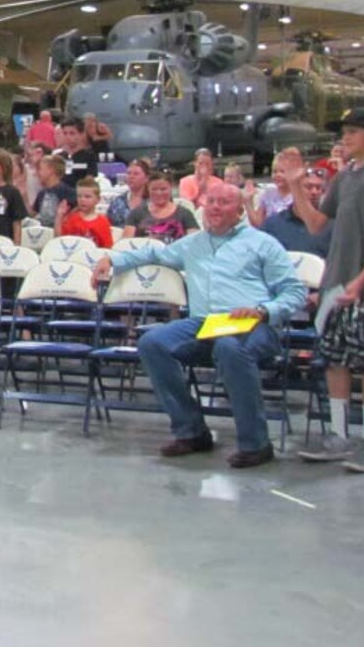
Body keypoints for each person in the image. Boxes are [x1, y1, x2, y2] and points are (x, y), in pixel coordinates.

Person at [92, 182, 306, 468]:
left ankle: (256, 443)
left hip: (252, 326)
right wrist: (111, 259)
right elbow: (155, 254)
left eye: (224, 203)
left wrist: (262, 311)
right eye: (211, 202)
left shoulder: (263, 244)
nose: (215, 208)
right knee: (153, 343)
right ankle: (191, 430)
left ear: (240, 210)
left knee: (230, 347)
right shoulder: (194, 244)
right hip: (204, 324)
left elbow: (295, 292)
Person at [285, 109, 364, 473]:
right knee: (336, 359)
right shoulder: (344, 177)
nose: (346, 138)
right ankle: (338, 433)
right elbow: (318, 224)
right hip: (337, 282)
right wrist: (295, 186)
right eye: (344, 132)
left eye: (354, 132)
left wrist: (361, 281)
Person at [259, 166, 332, 258]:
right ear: (294, 189)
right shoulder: (272, 224)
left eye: (319, 188)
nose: (314, 192)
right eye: (308, 187)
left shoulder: (329, 225)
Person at [124, 172, 200, 242]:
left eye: (163, 189)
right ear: (148, 189)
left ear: (171, 188)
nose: (158, 193)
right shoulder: (136, 213)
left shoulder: (185, 214)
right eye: (154, 189)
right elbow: (126, 242)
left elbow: (194, 241)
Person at [60, 178, 113, 248]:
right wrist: (59, 216)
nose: (82, 200)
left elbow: (107, 247)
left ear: (98, 199)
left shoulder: (103, 222)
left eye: (87, 197)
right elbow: (61, 240)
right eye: (79, 196)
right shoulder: (72, 218)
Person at [249, 152, 297, 227]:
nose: (278, 175)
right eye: (274, 171)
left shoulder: (298, 195)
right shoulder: (267, 194)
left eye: (282, 171)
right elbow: (258, 224)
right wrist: (248, 202)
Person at [32, 155, 76, 231]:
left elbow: (76, 211)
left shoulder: (67, 192)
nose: (37, 173)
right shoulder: (41, 193)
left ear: (50, 170)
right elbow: (33, 214)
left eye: (40, 169)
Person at [106, 159, 151, 227]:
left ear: (146, 178)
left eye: (136, 174)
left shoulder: (154, 202)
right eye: (128, 173)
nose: (131, 177)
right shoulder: (117, 202)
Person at [57, 118, 97, 185]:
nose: (67, 137)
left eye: (72, 133)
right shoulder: (59, 157)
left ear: (81, 134)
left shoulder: (89, 157)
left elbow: (89, 181)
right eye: (65, 133)